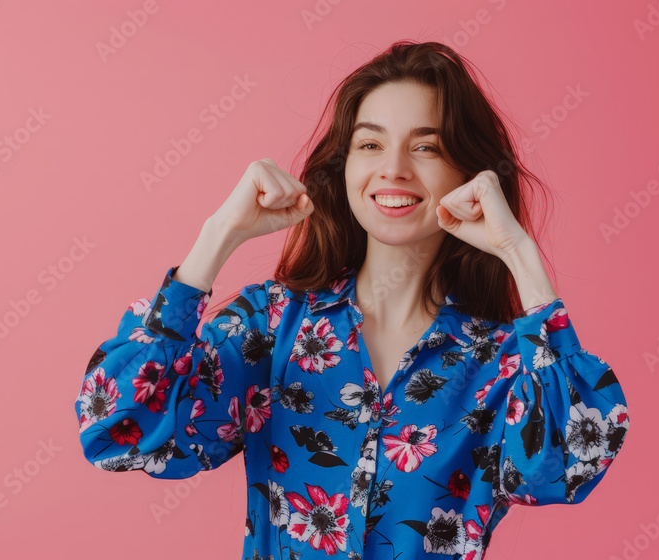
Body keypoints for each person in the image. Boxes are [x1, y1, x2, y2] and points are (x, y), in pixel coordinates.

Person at [74, 40, 630, 560]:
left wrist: (518, 253)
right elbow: (119, 431)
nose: (393, 168)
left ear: (468, 171)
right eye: (370, 144)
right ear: (345, 169)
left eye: (427, 147)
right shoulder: (273, 325)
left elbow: (567, 465)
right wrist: (218, 235)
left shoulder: (505, 362)